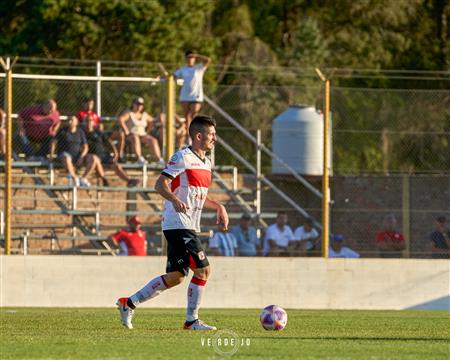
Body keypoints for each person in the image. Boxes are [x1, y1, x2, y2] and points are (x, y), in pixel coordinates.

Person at [116, 115, 228, 331]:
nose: (215, 139)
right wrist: (174, 199)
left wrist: (219, 206)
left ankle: (128, 303)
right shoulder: (182, 157)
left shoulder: (207, 163)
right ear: (198, 136)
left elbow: (198, 196)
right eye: (211, 135)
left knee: (176, 277)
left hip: (187, 225)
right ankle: (191, 321)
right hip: (178, 223)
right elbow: (160, 185)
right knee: (203, 270)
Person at [83, 114, 139, 187]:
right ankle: (103, 178)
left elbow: (109, 142)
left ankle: (129, 181)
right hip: (91, 157)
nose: (89, 122)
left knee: (116, 165)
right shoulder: (82, 133)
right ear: (84, 122)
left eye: (91, 120)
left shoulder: (98, 132)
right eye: (87, 121)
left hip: (103, 155)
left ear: (94, 122)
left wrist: (115, 152)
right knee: (95, 160)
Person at [51, 115, 106, 187]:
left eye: (71, 120)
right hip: (65, 156)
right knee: (66, 157)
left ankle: (83, 178)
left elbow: (85, 147)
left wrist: (81, 157)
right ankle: (74, 178)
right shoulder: (63, 130)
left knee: (94, 158)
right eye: (68, 120)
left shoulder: (80, 132)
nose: (69, 122)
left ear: (76, 122)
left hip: (77, 156)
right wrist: (51, 154)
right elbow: (54, 142)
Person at [113, 97, 164, 165]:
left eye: (141, 104)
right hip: (131, 135)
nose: (139, 106)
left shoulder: (144, 115)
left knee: (153, 140)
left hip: (142, 135)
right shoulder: (129, 113)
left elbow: (152, 121)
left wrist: (148, 130)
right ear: (133, 104)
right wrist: (126, 130)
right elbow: (121, 120)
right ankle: (139, 159)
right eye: (138, 104)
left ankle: (159, 160)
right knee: (135, 138)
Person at [174, 50, 210, 145]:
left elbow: (207, 60)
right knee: (187, 117)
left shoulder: (199, 68)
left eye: (192, 57)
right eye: (189, 57)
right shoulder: (183, 69)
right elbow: (174, 76)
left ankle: (195, 135)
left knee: (194, 115)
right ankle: (188, 136)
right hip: (185, 96)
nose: (190, 59)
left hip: (196, 96)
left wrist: (198, 55)